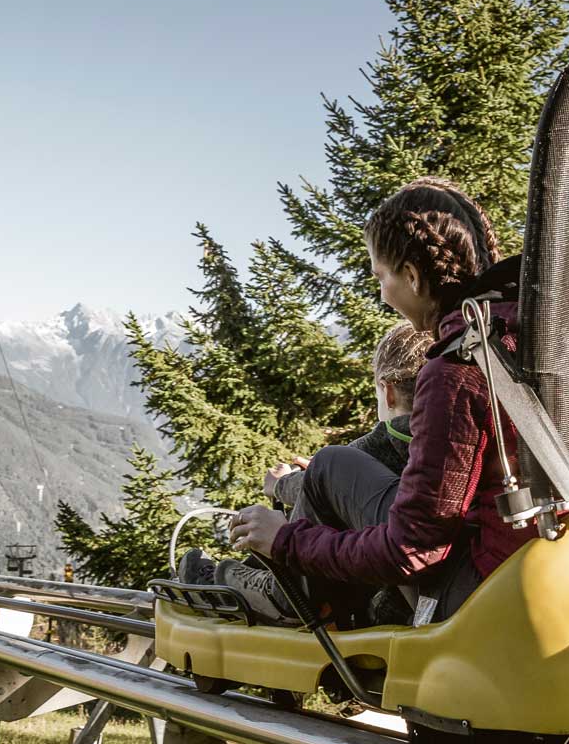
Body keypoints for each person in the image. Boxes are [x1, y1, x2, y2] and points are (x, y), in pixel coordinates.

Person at [194, 177, 528, 626]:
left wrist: (283, 540)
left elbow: (409, 551)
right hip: (560, 558)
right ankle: (292, 590)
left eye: (382, 277)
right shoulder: (537, 333)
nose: (383, 293)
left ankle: (286, 597)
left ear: (411, 275)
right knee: (333, 465)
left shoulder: (456, 371)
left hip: (484, 591)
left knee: (331, 468)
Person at [264, 320, 431, 514]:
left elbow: (316, 485)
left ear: (388, 393)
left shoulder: (385, 441)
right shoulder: (457, 434)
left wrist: (279, 483)